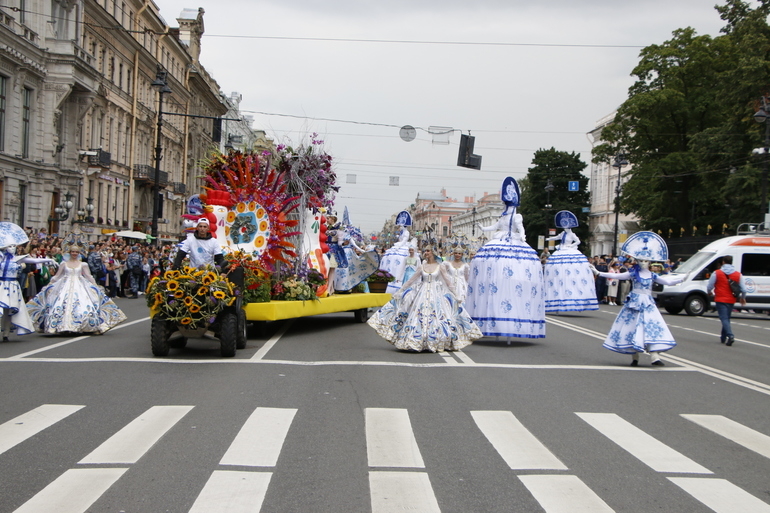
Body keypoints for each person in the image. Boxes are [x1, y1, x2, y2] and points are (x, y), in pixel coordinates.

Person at [466, 177, 545, 339]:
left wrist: (523, 237)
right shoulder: (502, 216)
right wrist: (483, 227)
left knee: (513, 267)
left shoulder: (517, 216)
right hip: (499, 240)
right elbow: (494, 227)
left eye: (508, 203)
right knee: (487, 263)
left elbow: (521, 229)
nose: (505, 205)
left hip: (513, 241)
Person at [590, 232, 685, 366]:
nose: (643, 263)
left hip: (647, 303)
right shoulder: (633, 273)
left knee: (650, 327)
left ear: (650, 262)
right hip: (634, 303)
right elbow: (618, 277)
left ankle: (654, 356)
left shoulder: (652, 275)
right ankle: (635, 357)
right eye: (640, 260)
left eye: (645, 261)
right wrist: (599, 272)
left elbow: (667, 282)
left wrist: (682, 279)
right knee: (632, 328)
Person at [367, 247, 482, 352]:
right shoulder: (422, 266)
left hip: (436, 294)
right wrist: (400, 291)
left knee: (439, 316)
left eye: (428, 251)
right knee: (417, 316)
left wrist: (456, 295)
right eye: (425, 251)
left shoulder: (440, 266)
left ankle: (436, 339)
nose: (425, 253)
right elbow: (411, 280)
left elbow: (448, 282)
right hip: (421, 292)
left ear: (433, 253)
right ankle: (416, 340)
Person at [27, 245, 127, 334]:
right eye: (72, 252)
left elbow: (88, 276)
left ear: (79, 253)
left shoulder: (83, 264)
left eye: (76, 252)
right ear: (69, 253)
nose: (74, 253)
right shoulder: (63, 264)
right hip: (64, 286)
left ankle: (81, 325)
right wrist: (50, 284)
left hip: (79, 286)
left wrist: (95, 285)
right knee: (60, 305)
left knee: (84, 304)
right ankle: (61, 326)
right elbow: (57, 276)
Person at [542, 211, 598, 313]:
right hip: (561, 250)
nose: (564, 228)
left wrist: (571, 246)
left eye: (566, 226)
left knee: (574, 269)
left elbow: (578, 241)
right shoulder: (563, 233)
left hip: (569, 249)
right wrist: (549, 238)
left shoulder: (572, 234)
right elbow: (557, 237)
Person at [1, 242, 57, 341]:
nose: (12, 248)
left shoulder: (17, 259)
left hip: (13, 286)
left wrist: (48, 259)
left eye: (14, 246)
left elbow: (33, 260)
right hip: (1, 284)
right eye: (10, 246)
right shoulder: (1, 257)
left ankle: (6, 333)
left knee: (9, 310)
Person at [706, 255, 746, 346]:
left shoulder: (717, 273)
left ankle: (730, 335)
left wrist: (709, 292)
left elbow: (710, 286)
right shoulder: (738, 274)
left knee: (724, 318)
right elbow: (743, 289)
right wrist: (742, 298)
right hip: (731, 299)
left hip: (720, 298)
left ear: (723, 262)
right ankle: (723, 337)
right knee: (726, 318)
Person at [378, 210, 414, 293]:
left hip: (403, 246)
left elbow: (404, 240)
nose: (399, 226)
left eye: (401, 225)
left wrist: (399, 246)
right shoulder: (401, 232)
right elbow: (400, 239)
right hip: (399, 245)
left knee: (398, 258)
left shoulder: (407, 232)